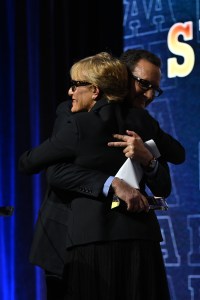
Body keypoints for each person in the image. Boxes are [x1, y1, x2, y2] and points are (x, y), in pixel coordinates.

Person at [19, 52, 171, 300]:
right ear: (121, 78)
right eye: (144, 84)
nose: (150, 95)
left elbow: (172, 168)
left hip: (136, 241)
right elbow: (55, 172)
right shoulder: (73, 116)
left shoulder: (143, 124)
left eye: (155, 88)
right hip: (70, 237)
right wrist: (114, 184)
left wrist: (148, 158)